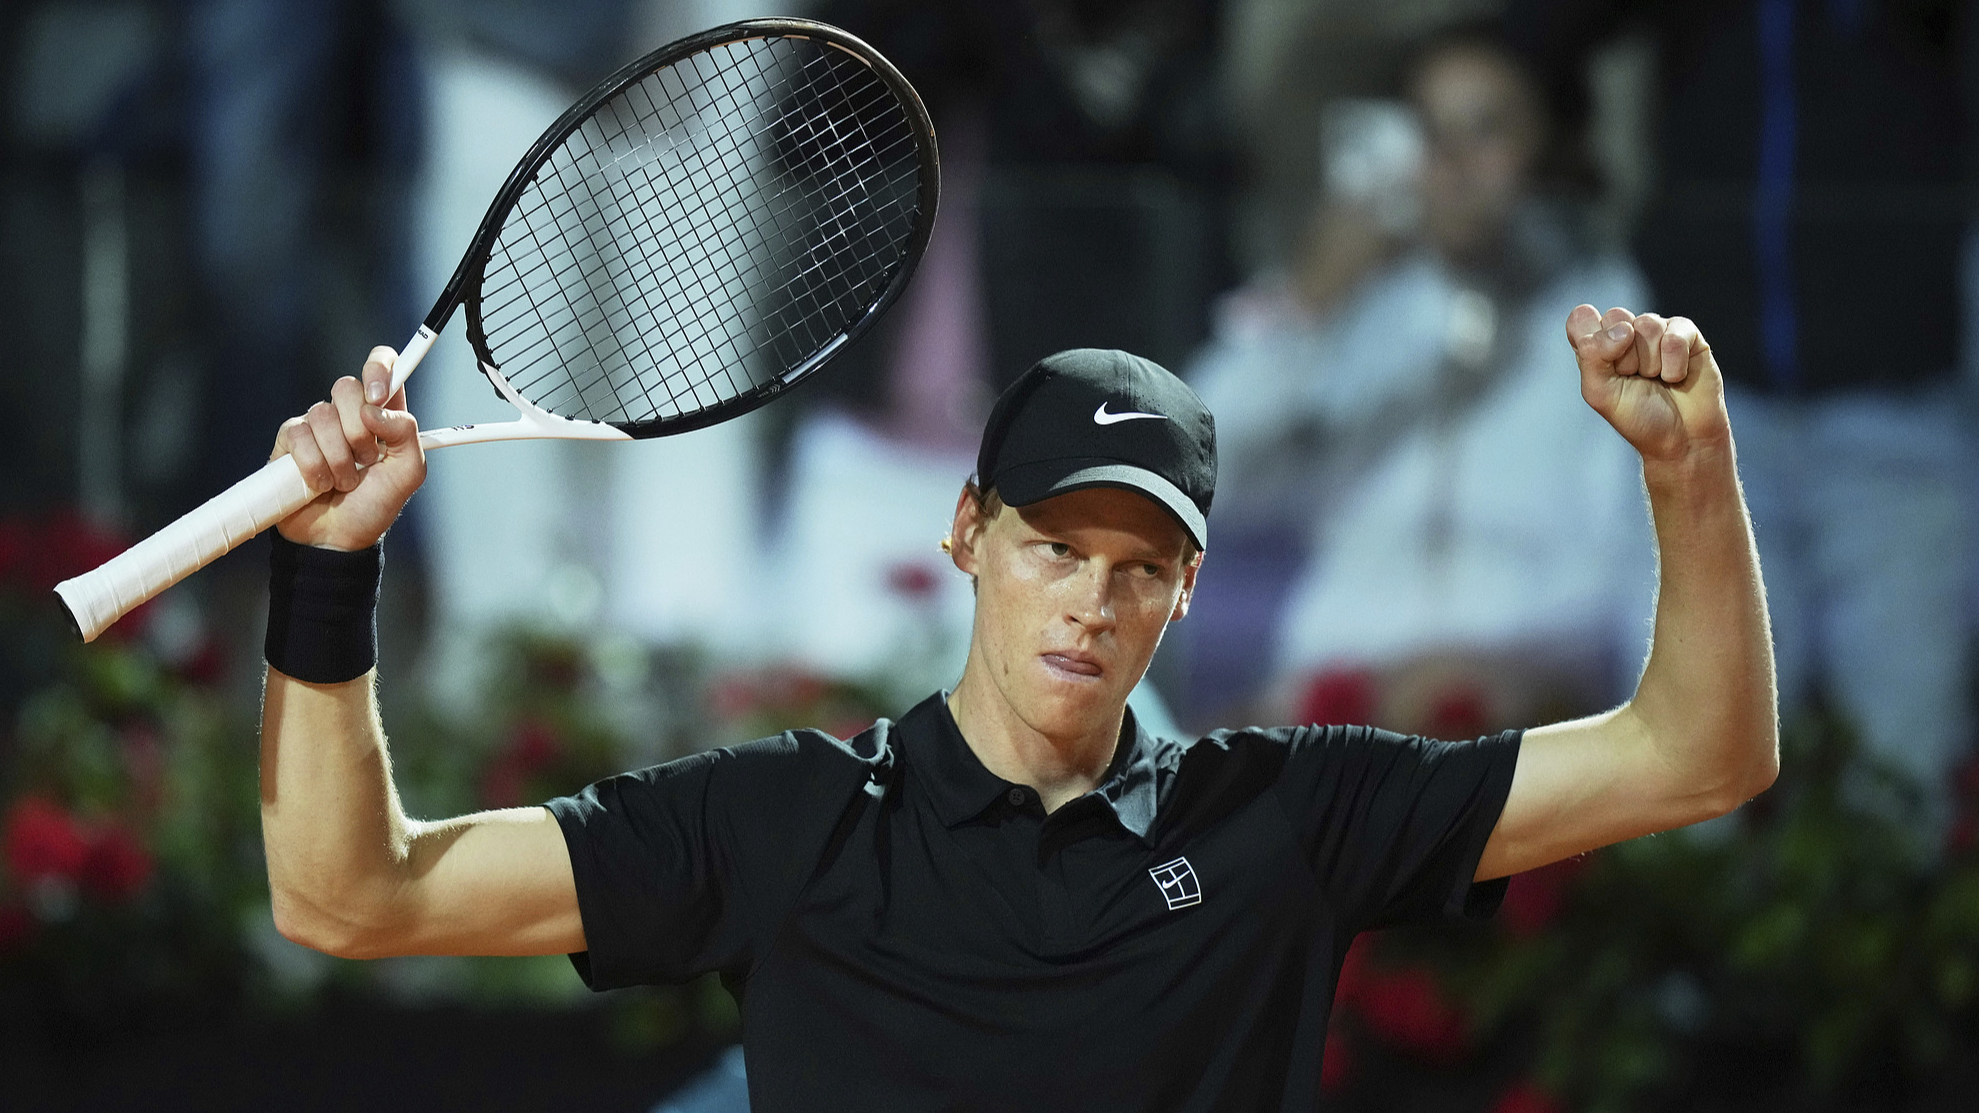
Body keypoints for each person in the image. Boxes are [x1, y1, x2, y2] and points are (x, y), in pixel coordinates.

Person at [257, 309, 1776, 1110]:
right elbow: (346, 895)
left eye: (1139, 568)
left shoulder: (1286, 818)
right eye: (1054, 547)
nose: (1089, 605)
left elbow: (1698, 752)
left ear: (1185, 596)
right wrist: (329, 575)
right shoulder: (787, 824)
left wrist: (1686, 465)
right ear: (966, 530)